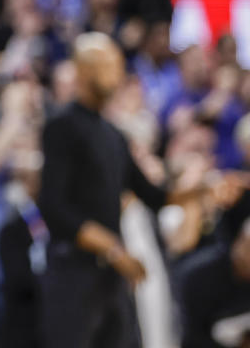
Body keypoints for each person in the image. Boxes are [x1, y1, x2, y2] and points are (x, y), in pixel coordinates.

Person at [37, 32, 197, 348]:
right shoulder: (62, 126)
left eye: (118, 65)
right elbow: (53, 207)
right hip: (73, 274)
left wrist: (204, 188)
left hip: (110, 277)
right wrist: (114, 249)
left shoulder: (114, 135)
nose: (116, 73)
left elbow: (156, 196)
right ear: (83, 71)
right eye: (106, 65)